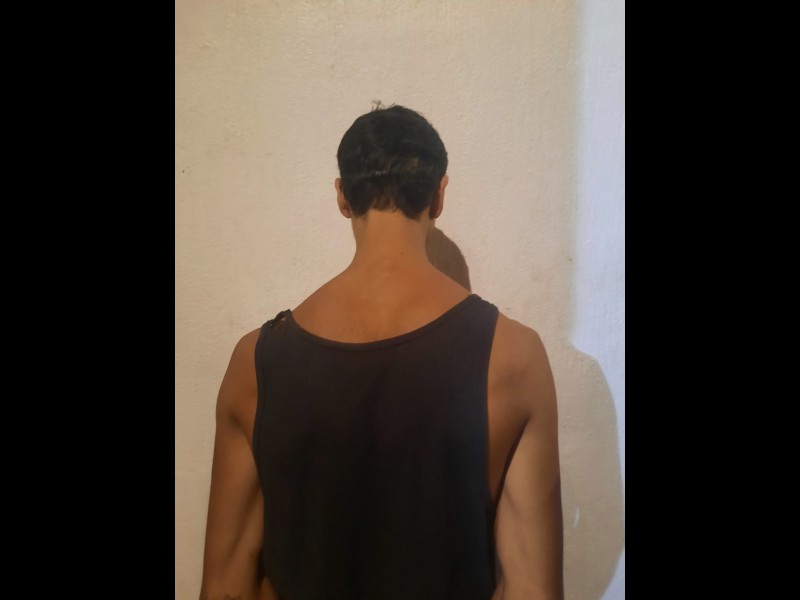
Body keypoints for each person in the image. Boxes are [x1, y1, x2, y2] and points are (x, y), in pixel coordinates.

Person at [199, 105, 563, 600]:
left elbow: (225, 586)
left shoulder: (255, 363)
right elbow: (533, 589)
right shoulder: (514, 356)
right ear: (439, 195)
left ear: (342, 197)